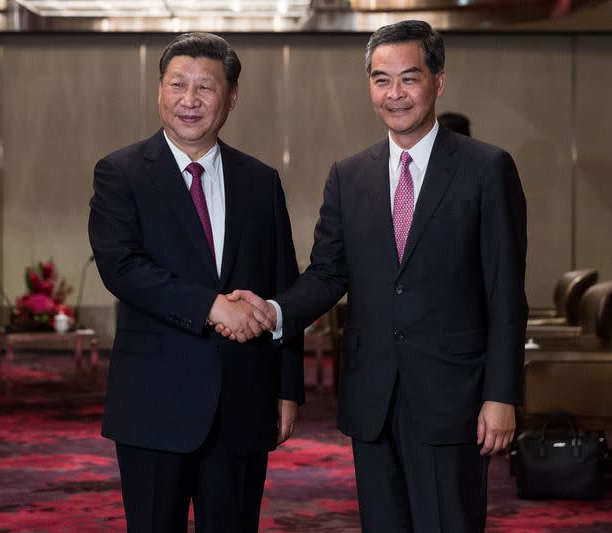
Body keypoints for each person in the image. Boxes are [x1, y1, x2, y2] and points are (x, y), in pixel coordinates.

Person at [221, 20, 527, 532]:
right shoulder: (349, 176)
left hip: (454, 397)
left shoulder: (486, 169)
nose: (395, 94)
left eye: (408, 78)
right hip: (372, 398)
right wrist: (273, 312)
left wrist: (502, 395)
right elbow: (326, 274)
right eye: (381, 80)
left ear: (438, 81)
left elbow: (505, 292)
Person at [88, 32, 304, 533]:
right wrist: (212, 306)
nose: (190, 100)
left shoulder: (260, 180)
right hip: (154, 403)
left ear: (231, 97)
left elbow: (283, 286)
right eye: (177, 85)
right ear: (159, 90)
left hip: (244, 402)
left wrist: (287, 388)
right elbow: (122, 268)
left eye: (205, 88)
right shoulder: (120, 173)